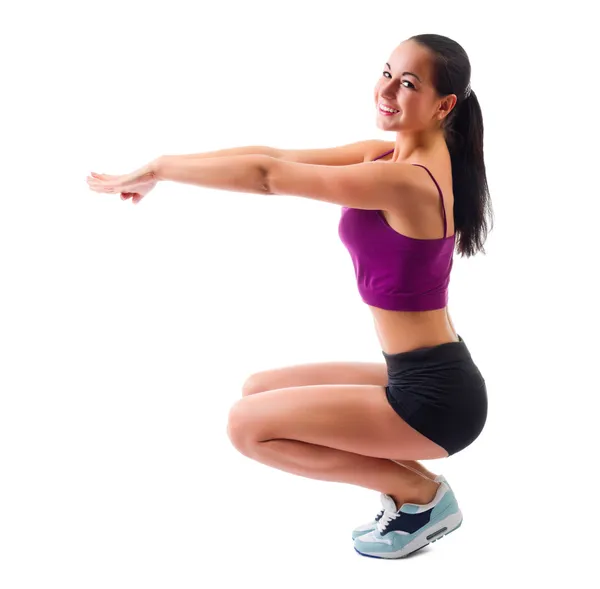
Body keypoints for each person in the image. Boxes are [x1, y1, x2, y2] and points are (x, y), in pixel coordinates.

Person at [87, 33, 493, 559]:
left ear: (444, 105)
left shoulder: (408, 182)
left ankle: (417, 494)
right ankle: (419, 490)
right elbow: (272, 155)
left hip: (435, 403)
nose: (387, 89)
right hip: (421, 372)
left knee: (246, 428)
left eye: (408, 83)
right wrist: (161, 166)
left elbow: (268, 178)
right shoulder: (389, 154)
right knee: (257, 390)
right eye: (387, 72)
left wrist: (160, 168)